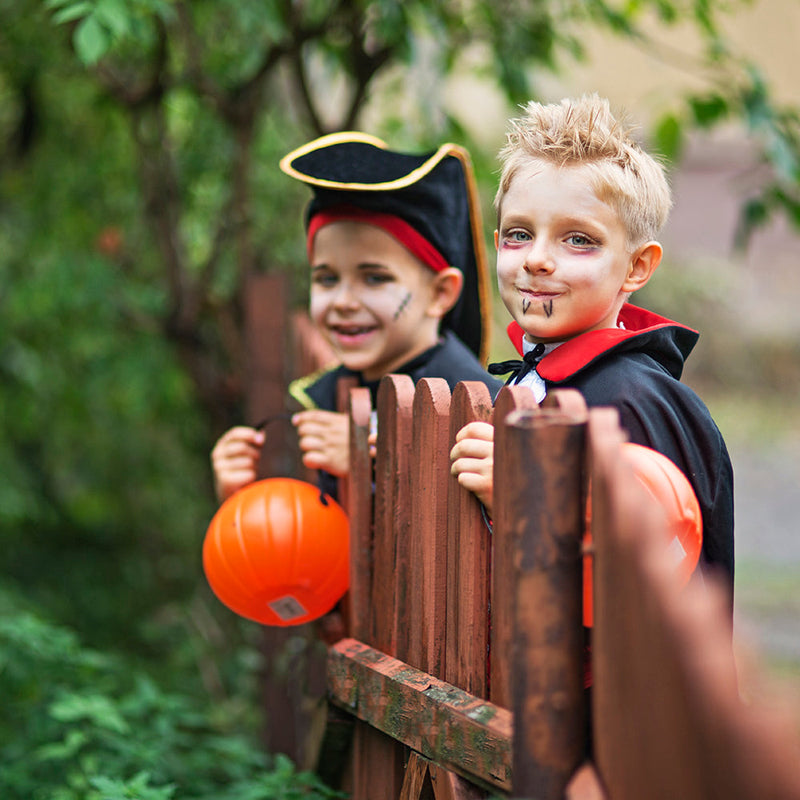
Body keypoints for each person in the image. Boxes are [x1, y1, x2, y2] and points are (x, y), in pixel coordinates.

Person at [450, 95, 734, 588]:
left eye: (578, 239)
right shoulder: (530, 378)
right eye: (519, 234)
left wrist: (525, 503)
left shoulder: (633, 402)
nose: (536, 259)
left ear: (636, 266)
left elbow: (656, 580)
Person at [212, 131, 502, 503]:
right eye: (327, 279)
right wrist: (237, 498)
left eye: (374, 278)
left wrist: (370, 464)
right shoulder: (330, 393)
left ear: (440, 293)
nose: (344, 302)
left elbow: (457, 529)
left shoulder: (479, 408)